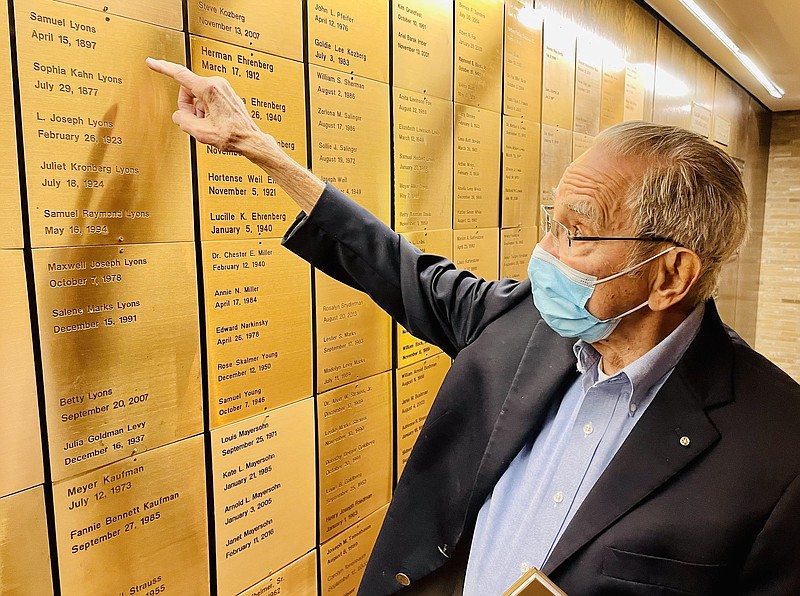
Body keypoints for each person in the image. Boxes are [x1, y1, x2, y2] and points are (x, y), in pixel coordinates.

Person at [146, 59, 800, 595]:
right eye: (551, 221)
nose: (542, 253)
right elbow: (395, 266)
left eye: (576, 233)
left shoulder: (777, 451)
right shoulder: (517, 322)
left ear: (670, 275)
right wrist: (257, 148)